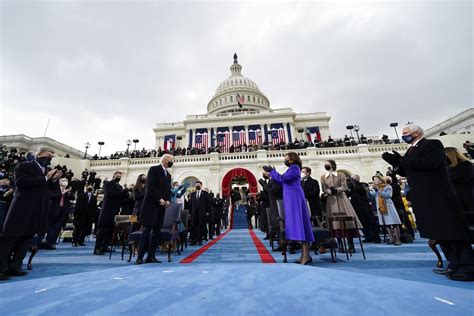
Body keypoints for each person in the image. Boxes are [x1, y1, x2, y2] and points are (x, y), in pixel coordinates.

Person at [382, 124, 473, 281]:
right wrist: (397, 164)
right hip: (425, 198)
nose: (403, 136)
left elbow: (429, 164)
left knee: (452, 232)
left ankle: (468, 267)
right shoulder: (411, 150)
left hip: (439, 197)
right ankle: (454, 264)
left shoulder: (433, 144)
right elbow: (408, 170)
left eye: (405, 133)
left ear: (416, 133)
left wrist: (403, 160)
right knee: (439, 233)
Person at [0, 147, 60, 281]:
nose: (50, 158)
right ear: (38, 154)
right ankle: (1, 268)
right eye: (48, 155)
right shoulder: (24, 166)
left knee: (26, 238)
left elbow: (50, 189)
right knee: (10, 238)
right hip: (22, 208)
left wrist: (53, 180)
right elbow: (21, 182)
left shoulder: (47, 171)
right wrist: (45, 178)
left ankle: (15, 267)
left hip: (37, 210)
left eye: (52, 156)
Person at [263, 152, 314, 265]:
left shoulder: (295, 168)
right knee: (297, 224)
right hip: (290, 197)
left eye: (287, 159)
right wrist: (273, 175)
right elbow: (283, 183)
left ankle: (306, 255)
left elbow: (283, 179)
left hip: (294, 197)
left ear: (293, 159)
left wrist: (273, 172)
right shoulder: (292, 168)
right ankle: (304, 255)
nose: (286, 161)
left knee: (299, 224)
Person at [135, 154, 173, 264]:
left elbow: (168, 190)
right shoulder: (153, 169)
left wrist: (168, 200)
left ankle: (151, 257)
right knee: (146, 231)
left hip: (161, 207)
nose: (172, 162)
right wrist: (159, 199)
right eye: (171, 160)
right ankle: (140, 257)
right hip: (151, 206)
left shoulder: (168, 175)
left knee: (156, 232)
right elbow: (150, 187)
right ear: (165, 160)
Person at [320, 159, 363, 253]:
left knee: (347, 222)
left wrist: (337, 190)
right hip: (331, 201)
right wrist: (329, 191)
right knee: (335, 223)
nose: (326, 166)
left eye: (327, 164)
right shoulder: (323, 177)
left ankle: (351, 244)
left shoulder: (341, 174)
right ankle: (340, 244)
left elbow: (344, 186)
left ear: (332, 165)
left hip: (342, 198)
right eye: (325, 164)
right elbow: (324, 188)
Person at [94, 171, 130, 255]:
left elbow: (120, 199)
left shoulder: (120, 187)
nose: (119, 177)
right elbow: (109, 194)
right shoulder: (108, 184)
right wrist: (123, 192)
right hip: (107, 209)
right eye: (117, 176)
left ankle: (105, 246)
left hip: (115, 210)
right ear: (113, 176)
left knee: (110, 229)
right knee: (102, 229)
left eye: (120, 176)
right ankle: (97, 248)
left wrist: (128, 196)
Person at [42, 177, 74, 249]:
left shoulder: (68, 190)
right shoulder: (55, 189)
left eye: (66, 181)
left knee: (57, 228)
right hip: (54, 211)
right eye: (63, 181)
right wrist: (62, 193)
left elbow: (72, 197)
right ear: (60, 182)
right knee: (51, 227)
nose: (65, 182)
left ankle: (52, 243)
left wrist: (67, 192)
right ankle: (48, 242)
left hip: (63, 211)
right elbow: (51, 196)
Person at [370, 175, 402, 245]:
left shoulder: (388, 186)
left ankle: (398, 239)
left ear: (380, 180)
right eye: (374, 179)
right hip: (380, 207)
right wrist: (371, 191)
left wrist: (379, 191)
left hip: (388, 206)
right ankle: (392, 238)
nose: (374, 181)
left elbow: (388, 195)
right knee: (386, 224)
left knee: (394, 223)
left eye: (376, 179)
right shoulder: (375, 188)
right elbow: (373, 196)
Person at [349, 174, 380, 243]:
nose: (352, 180)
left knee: (370, 222)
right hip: (356, 206)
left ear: (357, 179)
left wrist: (354, 185)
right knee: (362, 223)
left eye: (353, 178)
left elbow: (363, 191)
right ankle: (367, 236)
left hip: (364, 205)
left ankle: (375, 237)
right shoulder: (351, 186)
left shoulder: (363, 184)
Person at [445, 147, 474, 218]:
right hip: (457, 198)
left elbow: (463, 178)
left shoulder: (465, 164)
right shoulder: (447, 168)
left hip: (468, 196)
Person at [189, 181, 211, 246]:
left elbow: (208, 203)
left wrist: (207, 212)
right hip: (194, 213)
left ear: (201, 185)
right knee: (193, 227)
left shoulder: (205, 193)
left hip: (202, 212)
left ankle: (200, 240)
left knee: (201, 226)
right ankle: (193, 240)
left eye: (198, 184)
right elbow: (190, 204)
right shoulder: (192, 194)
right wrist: (189, 212)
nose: (197, 185)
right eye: (196, 185)